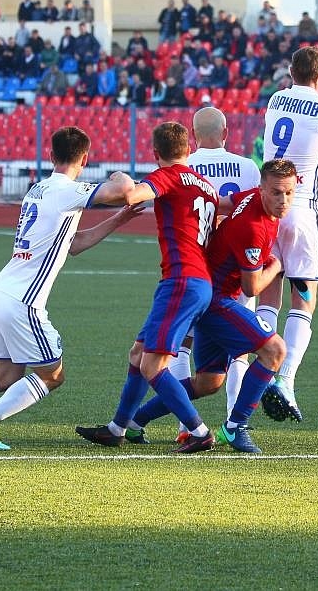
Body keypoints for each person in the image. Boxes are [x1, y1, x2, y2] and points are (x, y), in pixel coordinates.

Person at [0, 127, 143, 449]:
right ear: (85, 159)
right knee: (53, 375)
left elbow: (74, 243)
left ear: (50, 155)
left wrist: (118, 220)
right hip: (23, 301)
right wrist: (120, 174)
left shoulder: (38, 189)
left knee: (5, 377)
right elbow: (125, 190)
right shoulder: (66, 191)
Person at [115, 159, 298, 453]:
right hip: (217, 301)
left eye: (289, 193)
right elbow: (252, 288)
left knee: (209, 381)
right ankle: (234, 428)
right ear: (262, 188)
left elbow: (218, 203)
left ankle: (136, 421)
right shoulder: (253, 228)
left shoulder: (249, 197)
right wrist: (275, 265)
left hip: (206, 292)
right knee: (275, 350)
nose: (283, 200)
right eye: (276, 192)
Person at [75, 122, 221, 453]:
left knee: (153, 366)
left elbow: (131, 195)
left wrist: (118, 178)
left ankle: (199, 432)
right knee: (138, 354)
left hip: (181, 280)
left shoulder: (167, 176)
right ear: (189, 149)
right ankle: (117, 428)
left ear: (156, 154)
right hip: (197, 281)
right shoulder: (207, 187)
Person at [254, 46, 318, 423]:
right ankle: (286, 380)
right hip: (302, 207)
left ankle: (258, 376)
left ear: (290, 71)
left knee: (267, 294)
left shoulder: (276, 99)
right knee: (304, 299)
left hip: (267, 207)